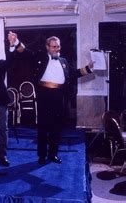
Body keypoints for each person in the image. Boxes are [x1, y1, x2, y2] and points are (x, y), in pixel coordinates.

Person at [8, 32, 94, 164]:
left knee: (57, 127)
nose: (56, 49)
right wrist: (16, 42)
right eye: (53, 46)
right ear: (47, 47)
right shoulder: (41, 57)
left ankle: (53, 154)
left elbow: (73, 73)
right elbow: (26, 53)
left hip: (60, 96)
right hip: (44, 95)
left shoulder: (63, 61)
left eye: (58, 46)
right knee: (43, 128)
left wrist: (88, 68)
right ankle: (42, 156)